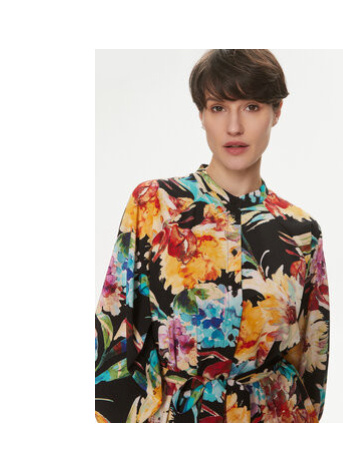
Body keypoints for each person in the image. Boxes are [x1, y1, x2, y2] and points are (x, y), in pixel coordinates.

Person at [95, 49, 330, 423]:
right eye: (219, 107)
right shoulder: (155, 205)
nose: (234, 127)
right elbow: (115, 342)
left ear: (276, 112)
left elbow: (311, 367)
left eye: (251, 107)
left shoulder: (301, 231)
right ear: (202, 115)